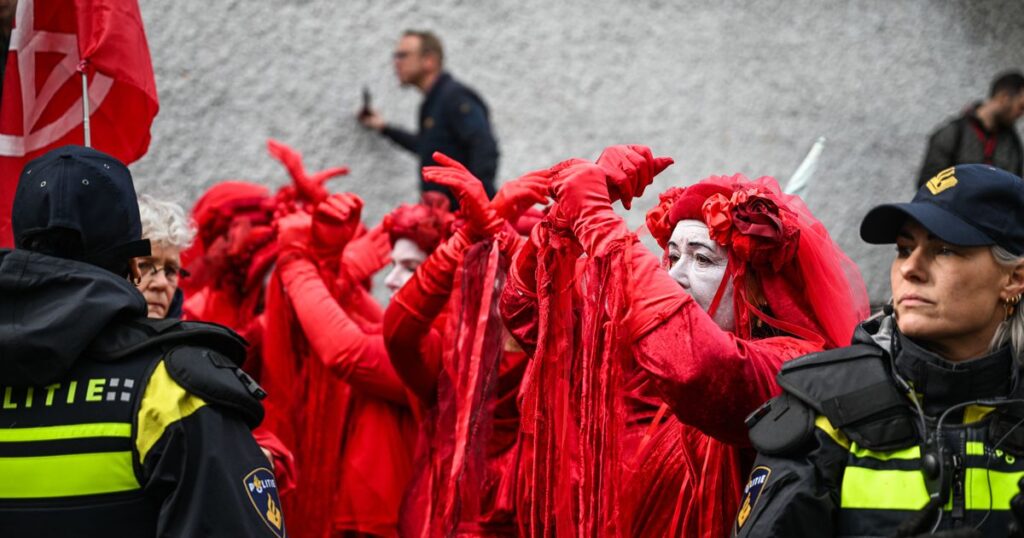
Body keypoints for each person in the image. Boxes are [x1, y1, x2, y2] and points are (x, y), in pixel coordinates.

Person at [499, 146, 869, 536]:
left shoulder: (796, 367)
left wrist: (596, 220)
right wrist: (562, 220)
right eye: (672, 256)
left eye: (703, 259)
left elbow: (703, 369)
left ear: (758, 290)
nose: (675, 275)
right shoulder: (647, 360)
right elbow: (530, 314)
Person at [0, 145, 283, 537]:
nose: (160, 282)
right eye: (150, 266)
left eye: (171, 271)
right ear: (134, 265)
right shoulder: (175, 389)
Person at [737, 164, 1024, 537]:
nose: (911, 269)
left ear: (1014, 278)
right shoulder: (828, 410)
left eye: (945, 250)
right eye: (904, 249)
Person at [381, 154, 547, 535]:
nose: (497, 280)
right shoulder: (451, 352)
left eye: (515, 263)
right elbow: (398, 333)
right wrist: (467, 237)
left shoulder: (575, 360)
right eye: (487, 264)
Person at [358, 30, 500, 204]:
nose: (396, 63)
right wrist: (384, 128)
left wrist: (477, 203)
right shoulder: (434, 101)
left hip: (464, 219)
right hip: (445, 220)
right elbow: (427, 147)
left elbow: (484, 145)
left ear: (429, 61)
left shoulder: (454, 97)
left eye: (403, 55)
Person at [917, 71, 1024, 188]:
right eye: (1021, 106)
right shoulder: (952, 134)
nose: (1021, 114)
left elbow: (1017, 188)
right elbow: (928, 188)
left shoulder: (1013, 143)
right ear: (1004, 98)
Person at [135, 194, 195, 319]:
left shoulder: (190, 337)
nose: (162, 283)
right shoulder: (86, 334)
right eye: (144, 265)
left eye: (170, 271)